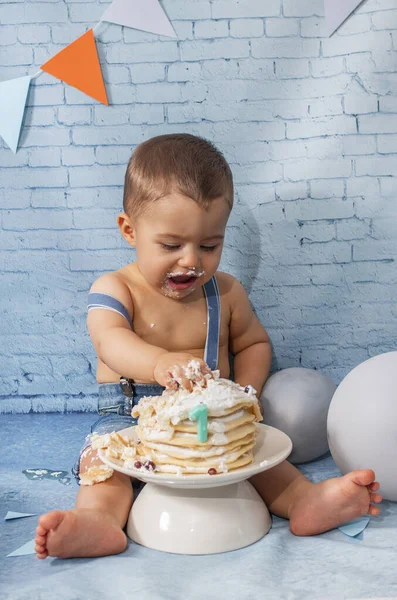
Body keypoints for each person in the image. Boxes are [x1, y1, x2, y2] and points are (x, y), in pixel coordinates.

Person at [34, 134, 382, 559]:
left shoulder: (226, 293)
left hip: (211, 425)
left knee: (257, 457)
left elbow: (253, 342)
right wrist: (159, 361)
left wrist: (245, 393)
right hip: (129, 421)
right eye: (170, 245)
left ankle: (303, 502)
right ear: (129, 229)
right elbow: (110, 341)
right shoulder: (116, 288)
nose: (190, 261)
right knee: (103, 467)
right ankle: (99, 523)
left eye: (209, 245)